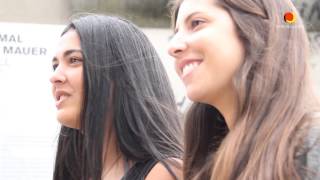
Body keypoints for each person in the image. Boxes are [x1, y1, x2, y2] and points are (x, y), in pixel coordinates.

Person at [168, 0, 320, 179]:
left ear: (256, 30)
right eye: (176, 32)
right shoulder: (203, 157)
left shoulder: (312, 148)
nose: (172, 47)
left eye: (196, 23)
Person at [50, 14, 182, 180]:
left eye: (74, 60)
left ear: (122, 74)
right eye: (55, 65)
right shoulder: (77, 172)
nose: (55, 76)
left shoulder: (163, 174)